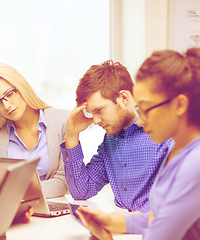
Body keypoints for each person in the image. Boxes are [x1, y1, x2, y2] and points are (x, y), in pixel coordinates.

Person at [76, 47, 200, 240]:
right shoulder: (179, 147)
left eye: (146, 109)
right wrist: (114, 222)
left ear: (180, 105)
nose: (140, 120)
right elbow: (162, 218)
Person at [60, 60, 171, 213]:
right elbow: (81, 191)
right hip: (124, 231)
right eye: (92, 113)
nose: (96, 121)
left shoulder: (165, 134)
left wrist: (121, 222)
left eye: (99, 110)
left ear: (124, 98)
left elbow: (170, 202)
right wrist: (71, 136)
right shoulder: (110, 140)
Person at [0, 63, 69, 198]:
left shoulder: (61, 121)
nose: (6, 106)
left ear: (21, 87)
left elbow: (63, 181)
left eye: (9, 94)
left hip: (52, 208)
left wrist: (19, 193)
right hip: (11, 211)